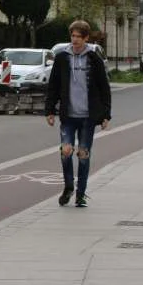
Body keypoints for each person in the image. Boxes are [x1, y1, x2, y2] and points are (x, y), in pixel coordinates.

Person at [44, 20, 111, 208]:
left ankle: (80, 194)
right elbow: (54, 86)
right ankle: (68, 187)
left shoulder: (93, 59)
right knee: (66, 151)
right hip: (68, 115)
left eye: (78, 37)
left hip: (87, 117)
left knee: (83, 154)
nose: (75, 40)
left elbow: (104, 88)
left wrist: (106, 114)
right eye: (72, 36)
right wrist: (49, 110)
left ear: (86, 38)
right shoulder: (62, 58)